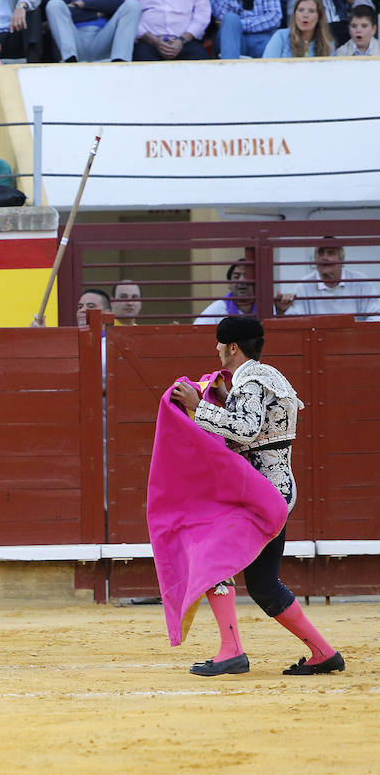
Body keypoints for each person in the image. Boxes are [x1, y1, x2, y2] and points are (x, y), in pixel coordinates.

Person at [168, 316, 344, 677]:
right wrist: (216, 399)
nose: (216, 350)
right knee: (263, 585)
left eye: (219, 344)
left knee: (213, 556)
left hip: (259, 492)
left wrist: (198, 407)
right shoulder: (268, 375)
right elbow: (258, 426)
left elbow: (246, 430)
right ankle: (324, 653)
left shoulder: (249, 381)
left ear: (232, 347)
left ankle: (231, 651)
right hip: (275, 489)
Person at [44, 0, 141, 61]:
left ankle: (120, 61)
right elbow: (59, 15)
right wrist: (99, 12)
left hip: (103, 38)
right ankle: (70, 60)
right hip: (74, 39)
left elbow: (117, 2)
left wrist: (83, 4)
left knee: (133, 5)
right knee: (54, 4)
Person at [277, 241, 379, 319]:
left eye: (331, 253)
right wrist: (282, 309)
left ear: (342, 259)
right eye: (320, 253)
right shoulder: (304, 285)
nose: (324, 258)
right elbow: (298, 321)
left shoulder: (360, 281)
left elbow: (375, 316)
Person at [126, 0, 211, 60]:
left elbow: (203, 13)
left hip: (186, 41)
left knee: (202, 62)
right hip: (149, 42)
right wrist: (155, 41)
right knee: (141, 62)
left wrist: (181, 40)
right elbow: (131, 18)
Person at [207, 0, 281, 59]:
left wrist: (238, 25)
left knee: (269, 44)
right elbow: (223, 17)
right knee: (230, 18)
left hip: (259, 37)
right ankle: (229, 69)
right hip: (228, 38)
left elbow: (274, 18)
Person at [194, 259, 266, 324]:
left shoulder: (267, 307)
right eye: (236, 277)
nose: (242, 281)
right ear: (229, 284)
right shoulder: (217, 309)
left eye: (247, 276)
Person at [263, 0, 334, 54]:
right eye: (301, 10)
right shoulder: (281, 37)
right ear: (295, 14)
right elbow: (268, 66)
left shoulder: (328, 43)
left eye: (311, 11)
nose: (305, 15)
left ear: (319, 16)